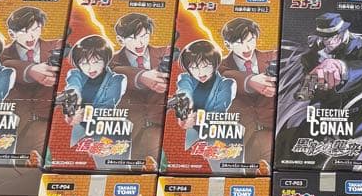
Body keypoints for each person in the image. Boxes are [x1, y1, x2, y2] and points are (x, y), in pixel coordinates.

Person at [297, 13, 362, 135]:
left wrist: (341, 67)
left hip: (355, 116)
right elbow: (307, 79)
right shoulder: (314, 53)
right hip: (323, 116)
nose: (329, 42)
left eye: (333, 36)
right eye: (325, 38)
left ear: (343, 32)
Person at [109, 13, 169, 166]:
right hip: (129, 132)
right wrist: (141, 76)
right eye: (132, 38)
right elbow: (115, 71)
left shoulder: (165, 54)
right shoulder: (111, 62)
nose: (140, 42)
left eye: (144, 36)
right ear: (120, 40)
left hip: (160, 129)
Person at [219, 17, 277, 168]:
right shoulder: (219, 66)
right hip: (243, 140)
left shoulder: (274, 57)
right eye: (239, 43)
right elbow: (226, 76)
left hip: (274, 134)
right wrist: (250, 81)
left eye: (251, 40)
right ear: (227, 44)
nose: (247, 48)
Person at [2, 6, 59, 158]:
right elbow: (6, 65)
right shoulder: (2, 55)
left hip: (51, 124)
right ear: (12, 34)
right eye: (24, 31)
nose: (31, 36)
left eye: (35, 29)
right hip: (18, 128)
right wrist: (30, 70)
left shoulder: (57, 46)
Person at [60, 35, 126, 146]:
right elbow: (73, 86)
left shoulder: (116, 80)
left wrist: (82, 114)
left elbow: (106, 107)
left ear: (105, 60)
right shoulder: (76, 74)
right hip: (79, 129)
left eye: (96, 62)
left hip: (102, 131)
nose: (90, 69)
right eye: (84, 63)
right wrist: (71, 107)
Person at [175, 40, 236, 151]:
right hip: (191, 137)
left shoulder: (226, 84)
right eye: (194, 68)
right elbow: (184, 91)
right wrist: (183, 113)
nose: (200, 73)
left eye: (206, 66)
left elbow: (219, 112)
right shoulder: (185, 78)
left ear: (215, 64)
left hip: (215, 137)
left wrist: (198, 118)